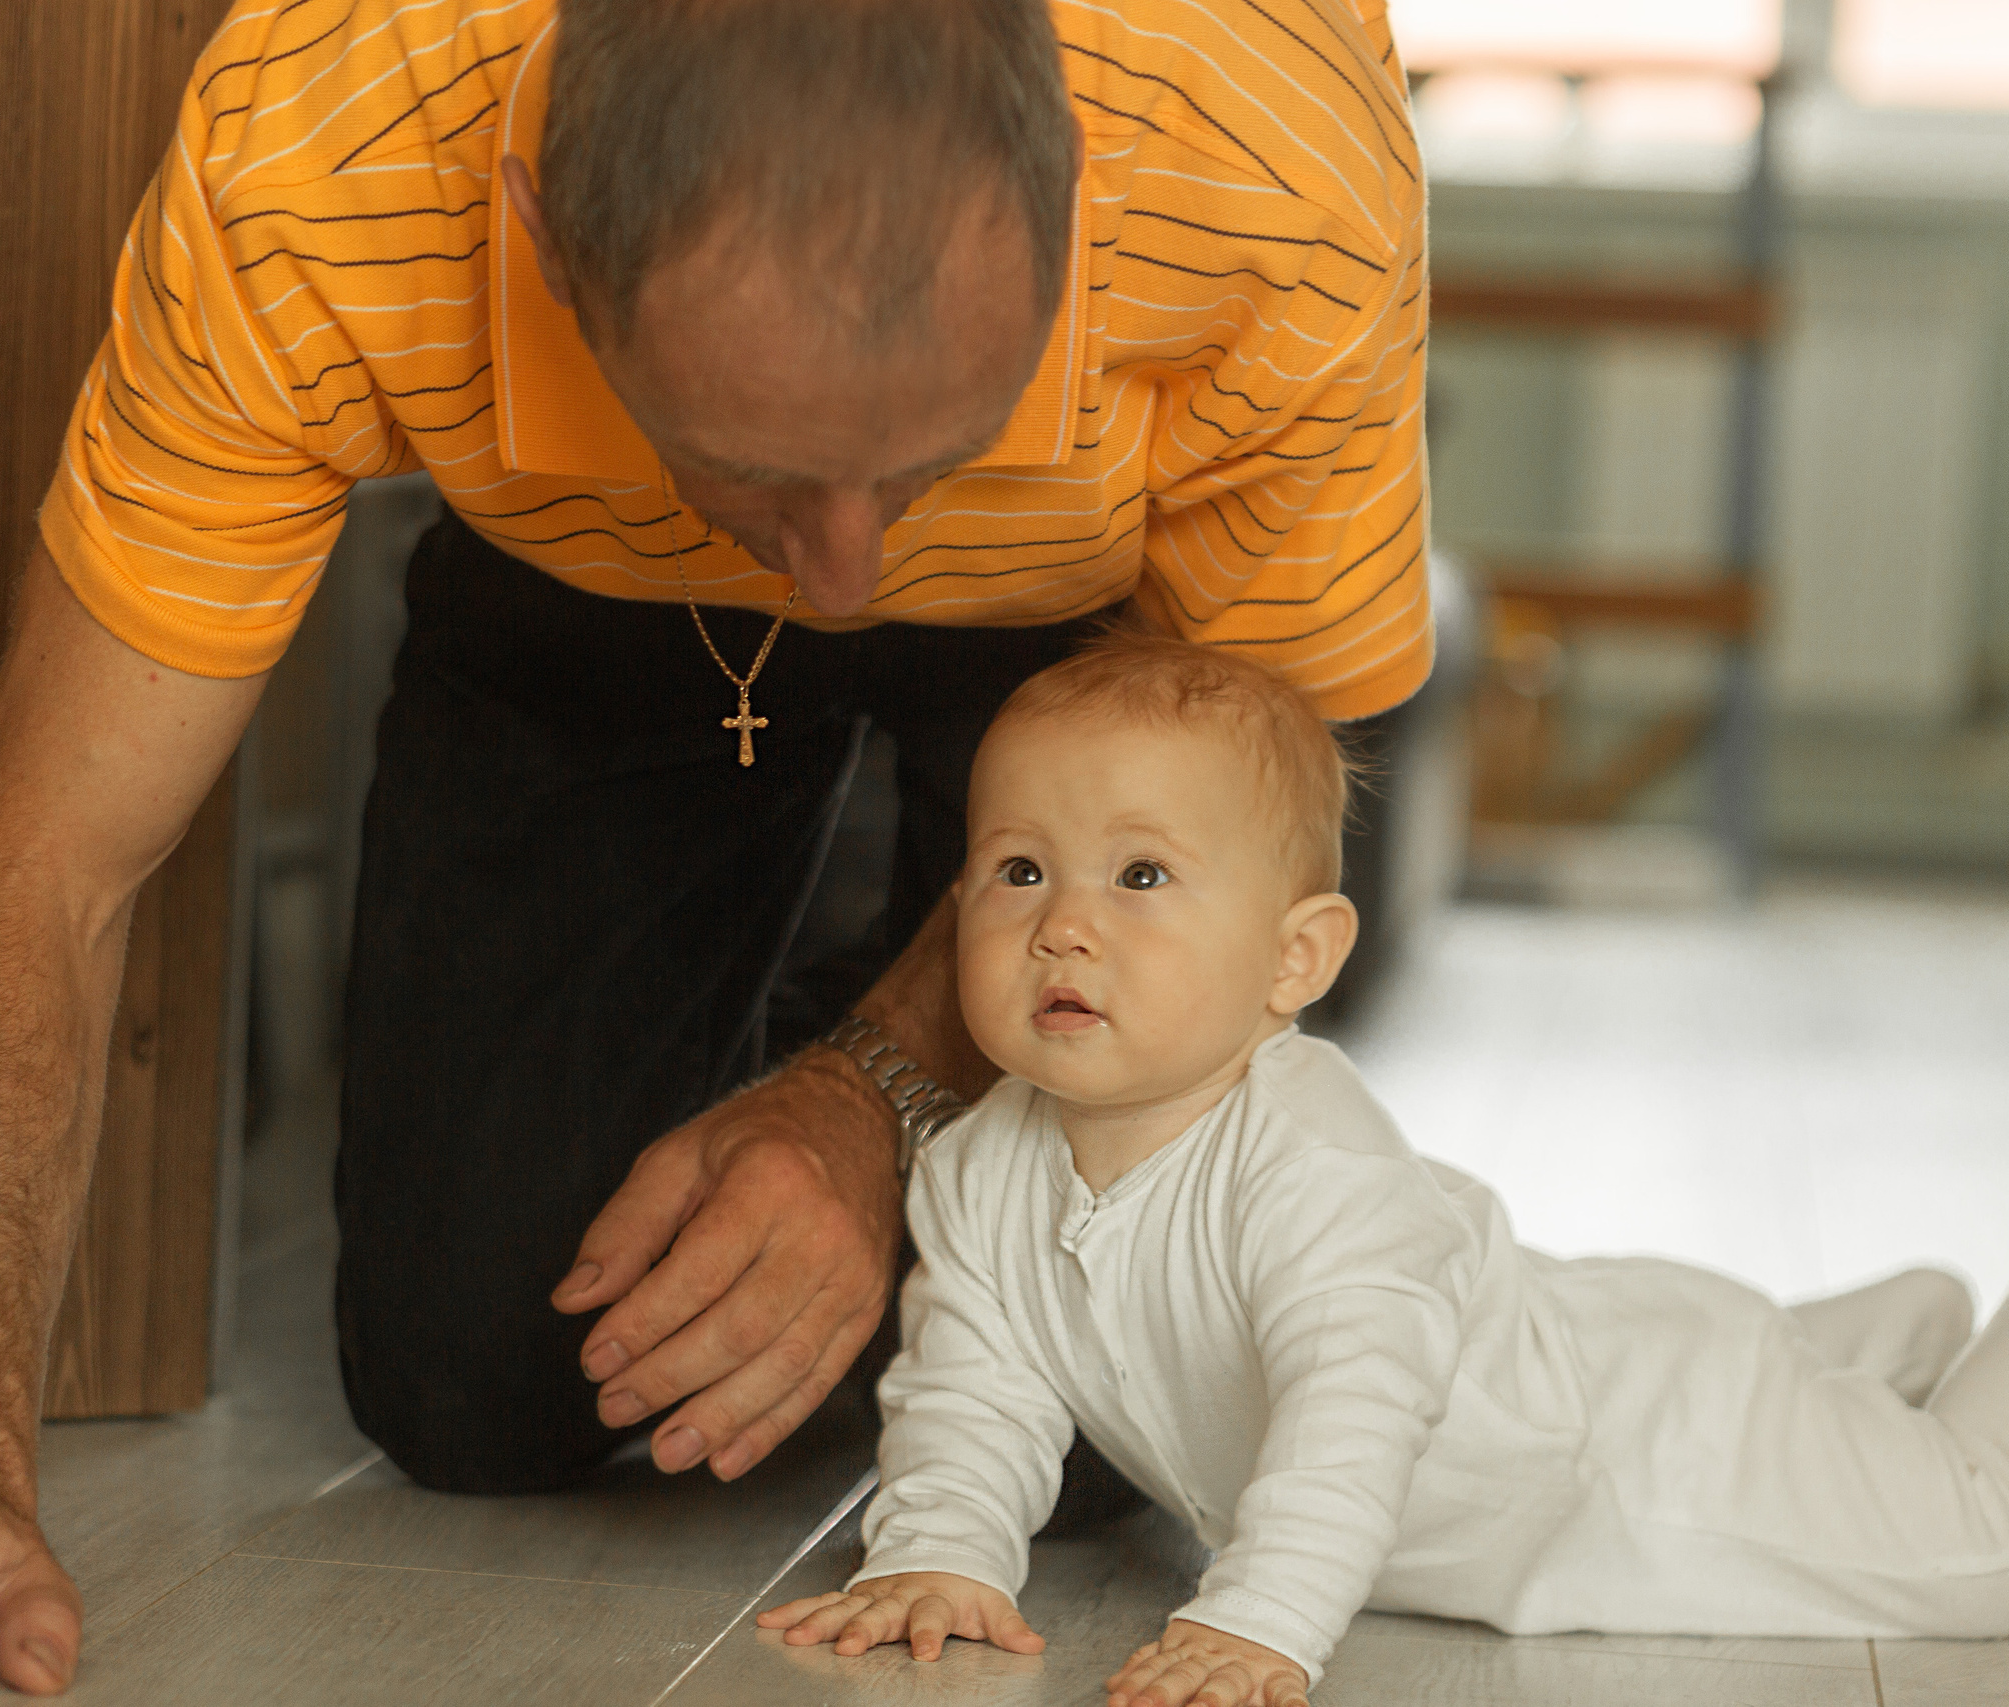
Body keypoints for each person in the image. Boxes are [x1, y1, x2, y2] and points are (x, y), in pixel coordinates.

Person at [0, 0, 1432, 1699]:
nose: (849, 570)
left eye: (927, 456)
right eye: (765, 470)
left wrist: (871, 1102)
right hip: (587, 583)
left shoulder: (1269, 165)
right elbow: (45, 858)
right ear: (539, 238)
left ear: (1074, 200)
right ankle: (829, 902)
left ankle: (863, 946)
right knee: (475, 1377)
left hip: (1091, 654)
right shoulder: (318, 163)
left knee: (1120, 1428)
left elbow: (1241, 819)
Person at [758, 629, 2009, 1706]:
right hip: (1584, 1331)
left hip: (1625, 1472)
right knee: (1724, 1367)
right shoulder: (978, 1168)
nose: (1061, 923)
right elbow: (975, 1389)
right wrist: (942, 1552)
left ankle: (1867, 1384)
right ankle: (1864, 1353)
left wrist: (1257, 1616)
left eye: (1141, 876)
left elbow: (1347, 1423)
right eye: (1018, 869)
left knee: (1980, 1546)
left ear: (1294, 961)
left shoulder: (1308, 1159)